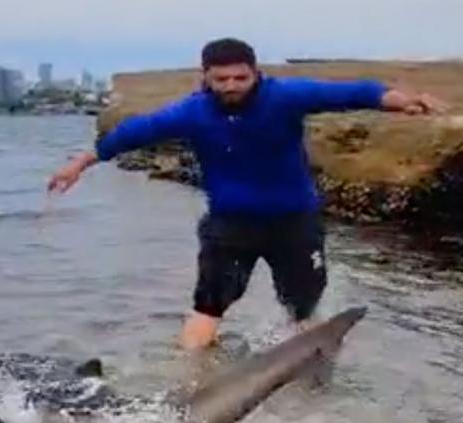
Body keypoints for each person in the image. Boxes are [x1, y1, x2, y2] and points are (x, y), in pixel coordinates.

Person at [48, 38, 446, 350]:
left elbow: (353, 93)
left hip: (295, 222)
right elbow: (134, 133)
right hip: (230, 225)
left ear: (255, 73)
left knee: (304, 310)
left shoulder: (284, 96)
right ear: (205, 78)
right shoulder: (192, 112)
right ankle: (191, 385)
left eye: (241, 78)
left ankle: (313, 381)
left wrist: (403, 102)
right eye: (221, 80)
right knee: (208, 308)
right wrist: (81, 163)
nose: (231, 86)